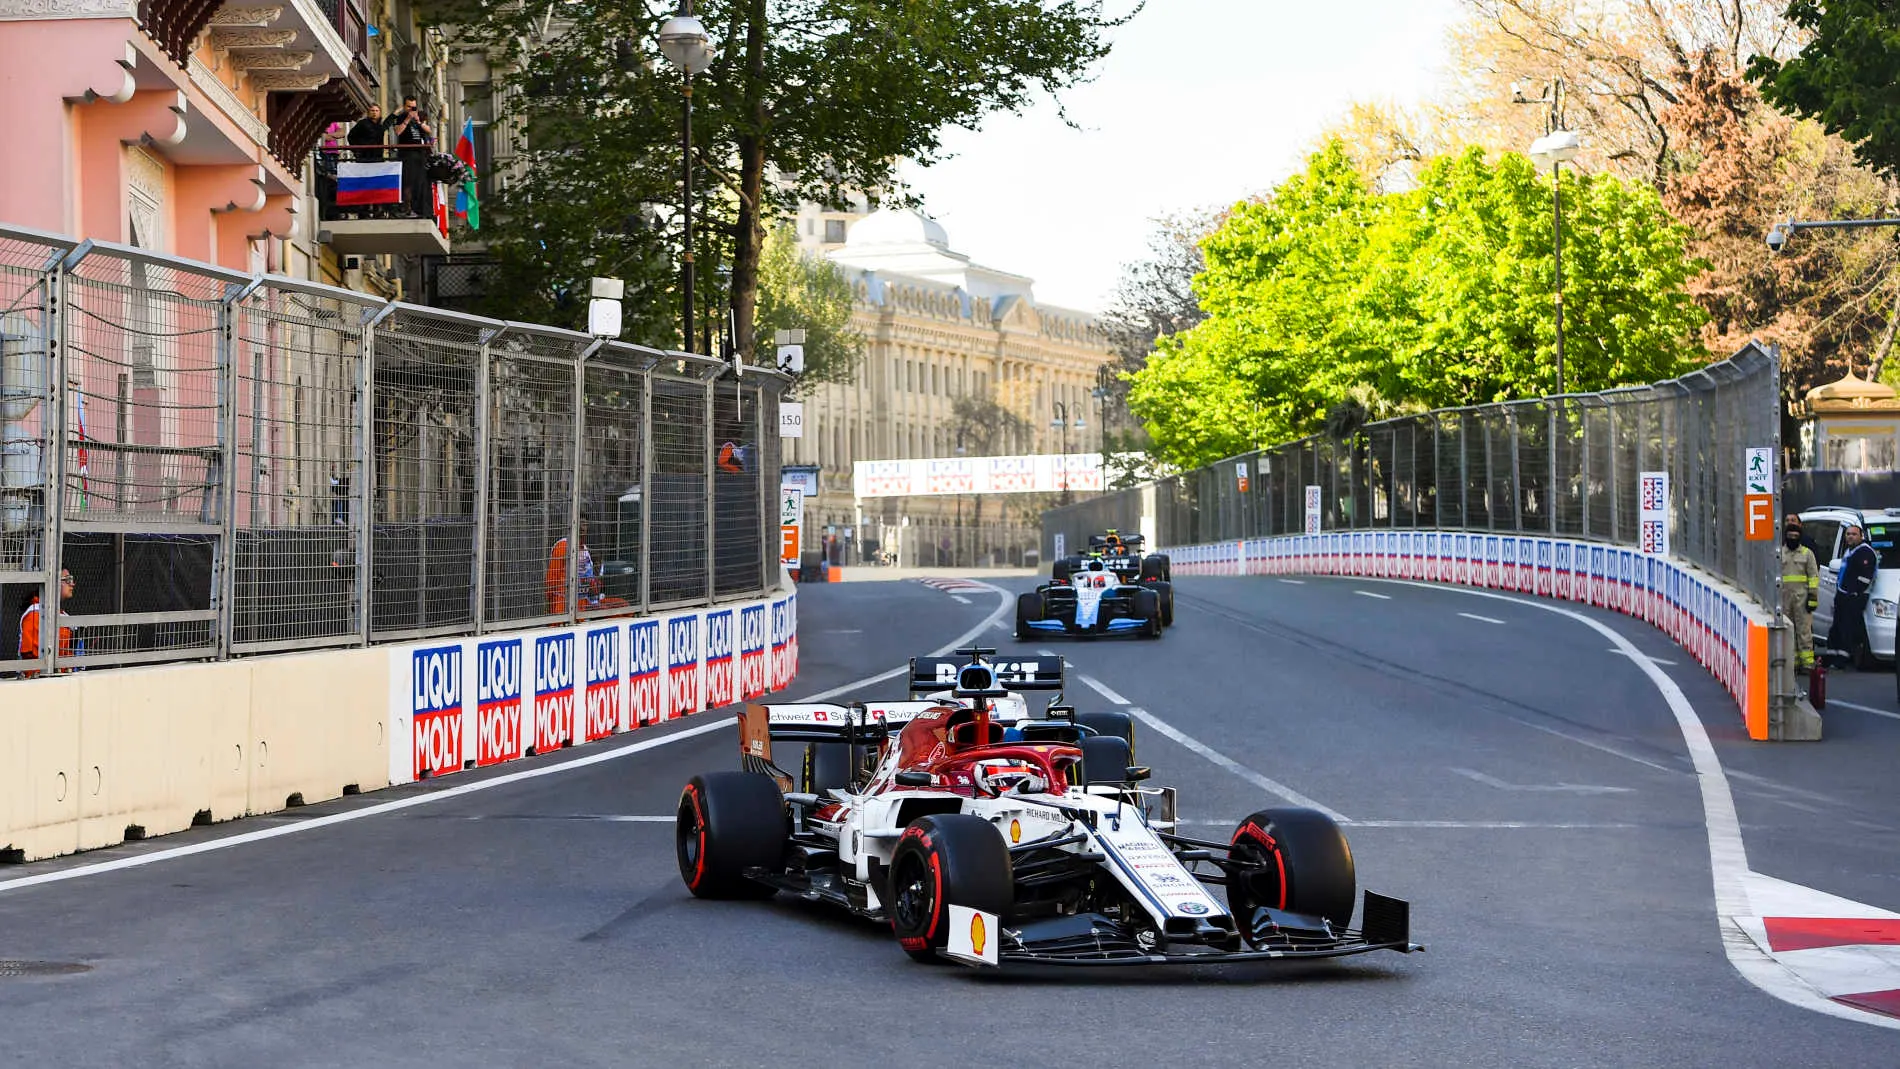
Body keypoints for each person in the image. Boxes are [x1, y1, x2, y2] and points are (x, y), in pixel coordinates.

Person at [546, 518, 628, 615]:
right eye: (579, 523)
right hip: (564, 604)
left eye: (584, 524)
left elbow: (591, 584)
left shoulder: (585, 550)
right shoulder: (563, 545)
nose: (582, 527)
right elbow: (552, 579)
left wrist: (596, 579)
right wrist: (551, 605)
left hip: (583, 604)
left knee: (623, 605)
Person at [1827, 523, 1879, 668]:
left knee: (1847, 628)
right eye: (1848, 534)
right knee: (1837, 627)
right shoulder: (1850, 551)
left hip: (1853, 597)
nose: (1850, 536)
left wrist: (1853, 592)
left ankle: (1842, 659)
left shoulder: (1865, 552)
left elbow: (1865, 578)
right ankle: (1832, 657)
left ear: (1861, 536)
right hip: (1843, 595)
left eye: (1854, 534)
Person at [16, 569, 77, 677]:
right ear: (53, 583)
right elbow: (31, 656)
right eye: (67, 580)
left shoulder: (63, 615)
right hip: (36, 680)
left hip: (60, 679)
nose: (72, 584)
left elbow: (68, 654)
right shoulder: (34, 613)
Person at [385, 95, 434, 218]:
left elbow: (429, 130)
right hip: (407, 153)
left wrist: (418, 121)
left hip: (420, 153)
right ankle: (407, 207)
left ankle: (420, 209)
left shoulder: (419, 117)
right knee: (408, 181)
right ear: (404, 106)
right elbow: (398, 131)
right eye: (409, 107)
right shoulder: (402, 117)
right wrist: (407, 119)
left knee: (420, 182)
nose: (412, 109)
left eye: (414, 107)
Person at [1781, 518, 1819, 675]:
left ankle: (1808, 664)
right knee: (1787, 631)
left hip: (1802, 599)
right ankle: (1792, 662)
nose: (1792, 539)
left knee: (1804, 632)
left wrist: (1812, 598)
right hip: (1784, 599)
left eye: (1795, 536)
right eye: (1790, 535)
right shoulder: (1779, 553)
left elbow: (1813, 577)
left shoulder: (1807, 554)